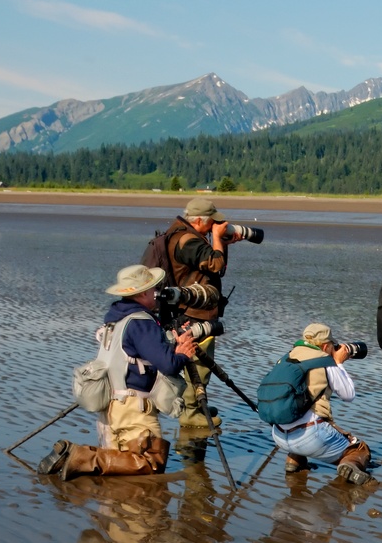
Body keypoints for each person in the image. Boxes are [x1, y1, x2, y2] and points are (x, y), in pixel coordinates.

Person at [38, 265, 197, 479]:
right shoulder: (140, 322)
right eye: (152, 289)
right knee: (151, 462)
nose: (156, 294)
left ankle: (79, 463)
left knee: (119, 474)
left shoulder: (115, 320)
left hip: (110, 407)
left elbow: (134, 356)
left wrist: (169, 346)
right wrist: (183, 354)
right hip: (133, 409)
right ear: (142, 292)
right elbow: (168, 365)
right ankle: (77, 456)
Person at [162, 197, 247, 427]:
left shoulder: (183, 234)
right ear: (199, 220)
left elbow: (215, 268)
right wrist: (218, 238)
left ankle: (197, 406)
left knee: (198, 361)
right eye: (212, 222)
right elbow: (215, 265)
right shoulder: (188, 241)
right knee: (198, 363)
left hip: (191, 309)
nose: (215, 226)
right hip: (194, 313)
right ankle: (192, 414)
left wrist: (223, 244)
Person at [269, 323, 373, 483]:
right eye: (333, 345)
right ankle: (350, 464)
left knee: (299, 414)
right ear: (325, 346)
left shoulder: (287, 357)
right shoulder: (324, 362)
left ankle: (294, 460)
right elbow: (349, 395)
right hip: (310, 437)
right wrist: (338, 363)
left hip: (278, 435)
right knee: (360, 449)